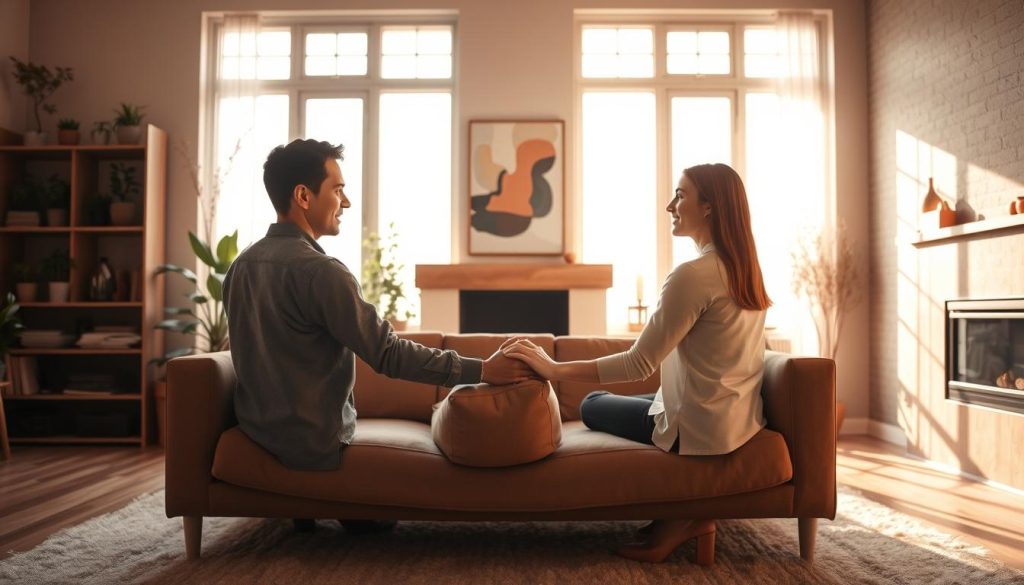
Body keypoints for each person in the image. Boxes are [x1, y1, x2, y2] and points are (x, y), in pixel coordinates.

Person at [223, 139, 533, 528]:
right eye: (337, 189)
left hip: (256, 431)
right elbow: (388, 353)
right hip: (316, 443)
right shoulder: (322, 273)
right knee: (377, 526)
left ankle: (302, 506)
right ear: (303, 195)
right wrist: (484, 370)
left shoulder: (240, 266)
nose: (346, 202)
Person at [502, 163, 771, 563]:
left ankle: (684, 518)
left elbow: (639, 363)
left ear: (710, 206)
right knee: (643, 397)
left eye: (681, 194)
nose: (670, 205)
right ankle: (681, 516)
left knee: (592, 403)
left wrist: (556, 370)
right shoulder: (745, 272)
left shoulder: (694, 275)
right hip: (732, 418)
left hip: (697, 427)